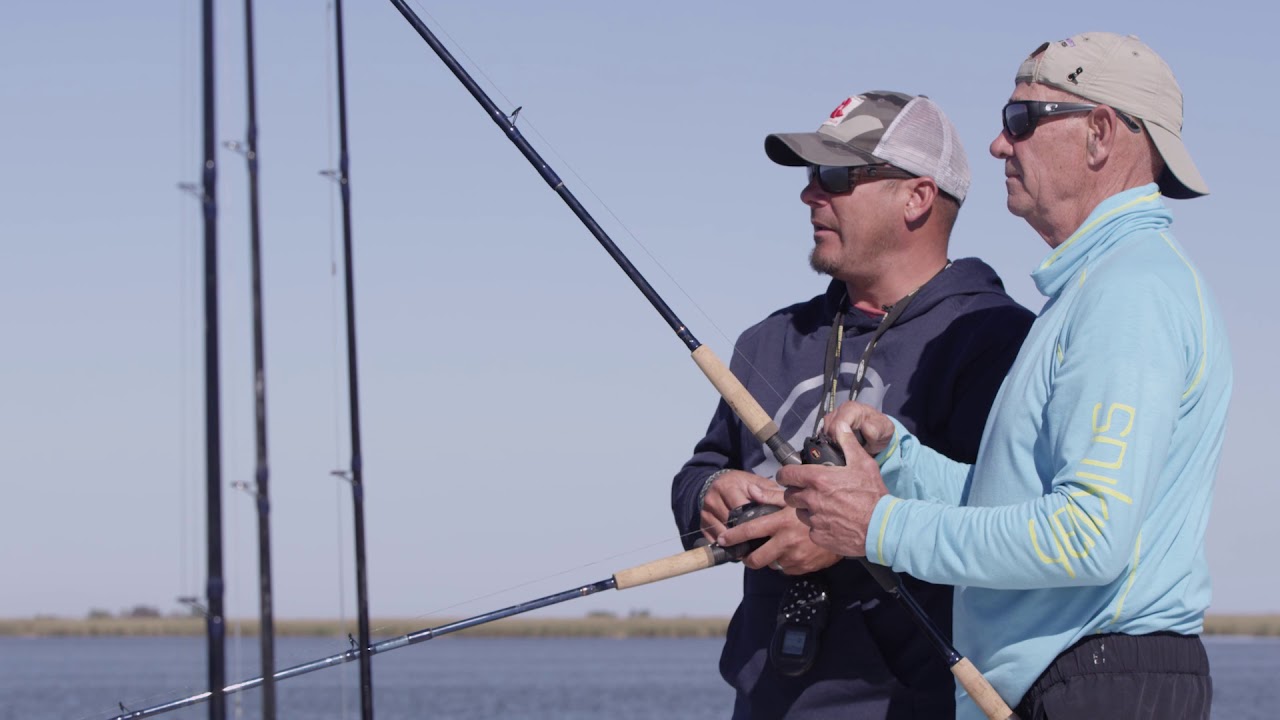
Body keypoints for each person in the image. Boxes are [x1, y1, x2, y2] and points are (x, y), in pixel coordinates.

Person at [733, 33, 1231, 720]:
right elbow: (1013, 499)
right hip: (1074, 680)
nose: (1000, 144)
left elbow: (1085, 536)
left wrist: (878, 526)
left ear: (1100, 134)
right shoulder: (1095, 289)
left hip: (1102, 683)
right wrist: (899, 462)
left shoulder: (1130, 290)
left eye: (1021, 120)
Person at [671, 90, 1035, 719]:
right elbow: (702, 465)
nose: (811, 195)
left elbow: (1001, 516)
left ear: (916, 198)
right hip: (765, 702)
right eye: (811, 177)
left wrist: (842, 534)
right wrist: (706, 494)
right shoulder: (769, 338)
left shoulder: (998, 340)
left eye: (835, 176)